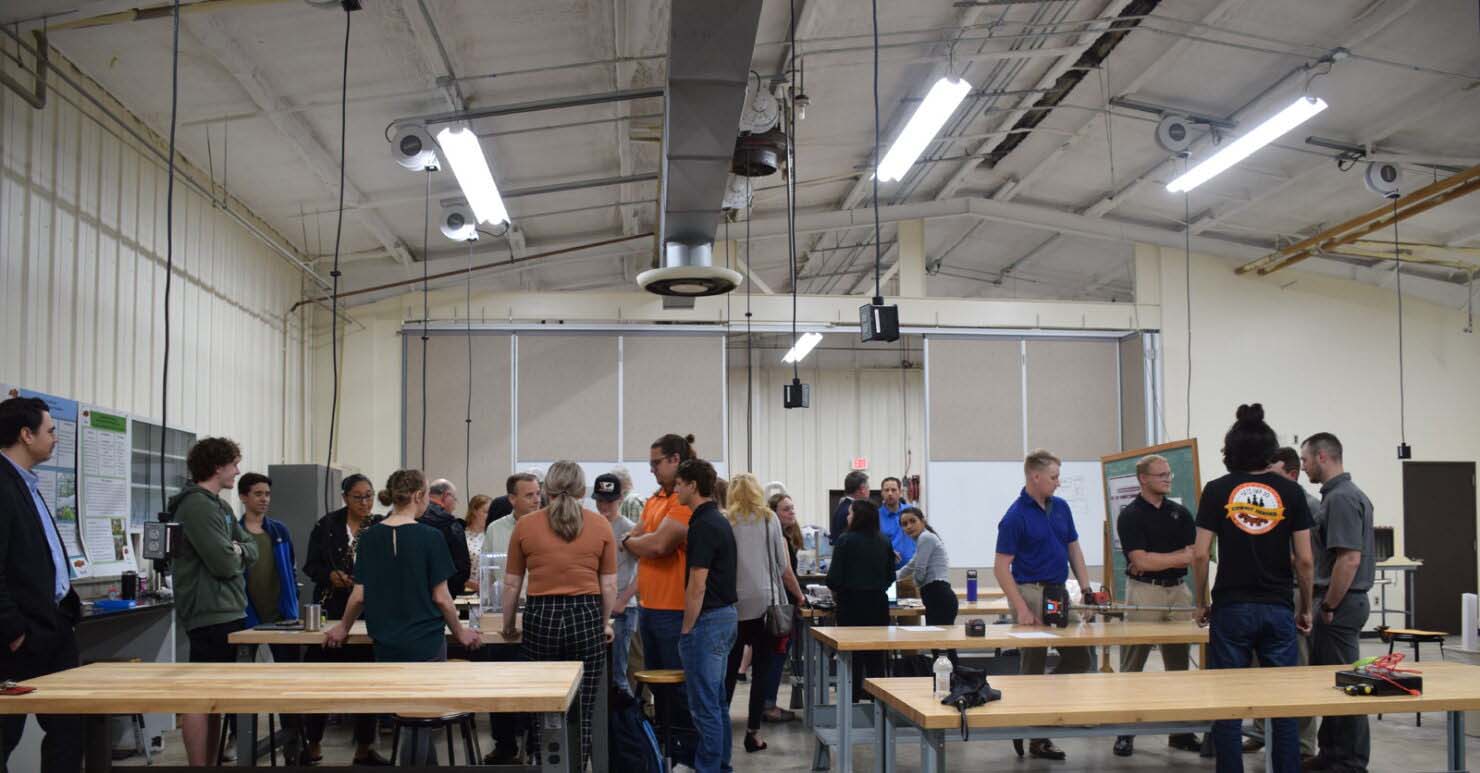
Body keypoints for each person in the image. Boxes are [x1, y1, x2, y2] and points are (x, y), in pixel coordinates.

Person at [325, 469, 481, 765]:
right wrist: (461, 632)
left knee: (405, 715)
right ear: (420, 496)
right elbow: (441, 597)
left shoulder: (368, 537)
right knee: (422, 715)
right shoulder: (431, 537)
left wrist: (342, 628)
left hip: (386, 642)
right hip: (425, 642)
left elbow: (359, 595)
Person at [1193, 404, 1314, 773]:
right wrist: (1305, 607)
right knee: (1282, 706)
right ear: (1269, 452)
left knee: (1228, 704)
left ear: (1230, 451)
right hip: (1278, 608)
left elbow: (1200, 555)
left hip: (1231, 607)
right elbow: (1306, 561)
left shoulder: (1217, 490)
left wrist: (1202, 602)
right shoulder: (1291, 493)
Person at [500, 461, 616, 769]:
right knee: (584, 704)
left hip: (542, 615)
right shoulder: (600, 524)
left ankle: (546, 762)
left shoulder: (526, 525)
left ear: (547, 488)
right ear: (582, 489)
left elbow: (512, 584)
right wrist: (603, 623)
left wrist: (509, 625)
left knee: (542, 703)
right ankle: (577, 764)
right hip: (586, 613)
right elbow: (609, 584)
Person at [993, 448, 1095, 762]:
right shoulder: (1014, 516)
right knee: (1032, 665)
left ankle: (1038, 702)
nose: (1058, 483)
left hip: (1058, 593)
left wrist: (1087, 588)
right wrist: (1021, 608)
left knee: (1080, 659)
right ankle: (1036, 736)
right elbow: (1000, 568)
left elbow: (1073, 548)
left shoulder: (1061, 508)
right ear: (1034, 477)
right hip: (1030, 593)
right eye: (1053, 477)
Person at [0, 397, 83, 773]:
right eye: (50, 431)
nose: (55, 439)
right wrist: (13, 629)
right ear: (25, 434)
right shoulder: (2, 485)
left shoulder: (27, 483)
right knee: (5, 734)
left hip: (53, 627)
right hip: (20, 638)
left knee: (69, 731)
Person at [168, 437, 258, 766]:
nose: (237, 471)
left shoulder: (219, 506)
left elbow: (252, 546)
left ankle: (212, 758)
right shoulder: (197, 506)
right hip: (209, 613)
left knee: (217, 695)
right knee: (200, 693)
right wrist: (235, 551)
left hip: (230, 609)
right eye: (234, 464)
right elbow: (223, 562)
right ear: (218, 466)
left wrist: (237, 549)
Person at [1110, 454, 1200, 758]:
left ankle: (1181, 731)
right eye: (1160, 474)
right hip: (1145, 593)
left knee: (1178, 665)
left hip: (1178, 592)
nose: (1167, 478)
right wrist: (1177, 557)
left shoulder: (1180, 513)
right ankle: (1125, 731)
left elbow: (1194, 554)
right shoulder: (1131, 515)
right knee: (1133, 664)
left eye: (1169, 474)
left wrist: (1160, 559)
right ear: (1143, 479)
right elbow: (1140, 560)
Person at [1302, 432, 1376, 773]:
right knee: (1332, 683)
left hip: (1340, 604)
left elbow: (1348, 560)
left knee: (1347, 685)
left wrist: (1329, 606)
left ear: (1322, 457)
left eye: (1304, 460)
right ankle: (1331, 753)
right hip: (1336, 601)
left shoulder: (1342, 498)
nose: (1302, 468)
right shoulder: (1337, 496)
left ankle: (1349, 761)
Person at [622, 433, 700, 755]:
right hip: (650, 608)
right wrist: (638, 541)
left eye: (657, 463)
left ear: (675, 461)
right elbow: (638, 536)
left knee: (680, 692)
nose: (652, 469)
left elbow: (656, 545)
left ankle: (687, 754)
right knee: (658, 689)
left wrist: (635, 542)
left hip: (675, 611)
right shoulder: (654, 500)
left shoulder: (682, 502)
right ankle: (665, 751)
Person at [300, 473, 385, 765]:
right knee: (319, 680)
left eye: (370, 496)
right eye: (358, 497)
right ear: (345, 497)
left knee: (366, 681)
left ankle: (364, 746)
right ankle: (312, 742)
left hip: (369, 610)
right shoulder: (327, 526)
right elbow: (310, 565)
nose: (365, 502)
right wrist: (329, 575)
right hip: (330, 609)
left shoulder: (380, 526)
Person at [1246, 447, 1320, 759]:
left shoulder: (1308, 506)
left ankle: (1302, 746)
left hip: (1290, 594)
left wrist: (1305, 605)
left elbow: (1309, 560)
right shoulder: (1262, 501)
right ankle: (1262, 731)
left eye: (1272, 473)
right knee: (1258, 669)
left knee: (1295, 671)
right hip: (1259, 596)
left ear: (1292, 474)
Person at [723, 474, 804, 754]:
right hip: (766, 607)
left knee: (730, 671)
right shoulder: (769, 519)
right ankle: (753, 733)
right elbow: (782, 566)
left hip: (733, 606)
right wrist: (798, 596)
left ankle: (722, 731)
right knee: (761, 672)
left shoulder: (726, 520)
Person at [235, 473, 306, 759]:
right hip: (247, 617)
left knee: (288, 683)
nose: (264, 499)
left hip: (282, 617)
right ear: (243, 497)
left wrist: (292, 606)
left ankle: (293, 744)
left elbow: (290, 570)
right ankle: (239, 739)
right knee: (241, 684)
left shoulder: (278, 530)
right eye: (257, 494)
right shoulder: (234, 533)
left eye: (267, 494)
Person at [674, 459, 738, 773]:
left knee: (704, 706)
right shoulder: (717, 520)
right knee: (715, 702)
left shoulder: (703, 525)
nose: (675, 489)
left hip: (709, 621)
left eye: (679, 483)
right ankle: (721, 764)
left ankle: (710, 767)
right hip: (724, 618)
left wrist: (687, 628)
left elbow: (697, 583)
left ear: (692, 485)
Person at [479, 471, 543, 765]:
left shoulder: (548, 524)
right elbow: (490, 573)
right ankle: (504, 744)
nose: (536, 498)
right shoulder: (496, 528)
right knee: (498, 679)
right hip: (504, 611)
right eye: (529, 494)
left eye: (537, 493)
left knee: (534, 683)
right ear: (512, 499)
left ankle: (534, 744)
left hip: (538, 610)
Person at [826, 500, 894, 698]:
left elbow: (833, 578)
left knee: (852, 658)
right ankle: (878, 703)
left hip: (851, 605)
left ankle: (852, 700)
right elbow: (891, 577)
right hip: (878, 605)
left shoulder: (845, 540)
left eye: (850, 513)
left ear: (858, 516)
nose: (847, 517)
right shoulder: (884, 541)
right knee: (876, 658)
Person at [593, 473, 640, 695]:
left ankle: (626, 727)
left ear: (619, 499)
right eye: (600, 501)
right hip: (596, 606)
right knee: (597, 675)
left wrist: (622, 600)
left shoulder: (629, 529)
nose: (604, 506)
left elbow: (646, 571)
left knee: (619, 677)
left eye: (609, 501)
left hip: (622, 609)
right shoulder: (589, 526)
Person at [760, 492, 804, 723]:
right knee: (776, 657)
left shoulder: (785, 537)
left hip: (779, 603)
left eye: (792, 508)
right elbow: (786, 573)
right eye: (786, 509)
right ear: (774, 514)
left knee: (773, 657)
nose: (791, 512)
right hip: (782, 607)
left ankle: (766, 703)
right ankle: (768, 706)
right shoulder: (780, 539)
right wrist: (800, 596)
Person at [896, 507, 956, 625]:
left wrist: (915, 585)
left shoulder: (925, 538)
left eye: (913, 521)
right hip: (936, 596)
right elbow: (909, 567)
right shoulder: (923, 541)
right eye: (904, 524)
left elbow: (920, 570)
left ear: (923, 521)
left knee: (937, 640)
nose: (909, 526)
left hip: (938, 595)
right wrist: (886, 578)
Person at [419, 479, 470, 599]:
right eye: (455, 499)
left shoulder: (413, 518)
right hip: (442, 595)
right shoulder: (450, 524)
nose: (454, 505)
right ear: (446, 496)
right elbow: (462, 568)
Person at [878, 477, 914, 570]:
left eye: (893, 490)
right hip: (886, 571)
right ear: (882, 493)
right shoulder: (875, 516)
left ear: (900, 492)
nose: (890, 493)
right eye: (886, 490)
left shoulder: (912, 512)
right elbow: (871, 543)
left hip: (912, 571)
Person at [829, 471, 869, 545]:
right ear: (862, 489)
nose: (868, 491)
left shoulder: (841, 507)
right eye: (868, 487)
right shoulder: (854, 511)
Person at [464, 494, 492, 593]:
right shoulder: (462, 536)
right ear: (474, 511)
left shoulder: (491, 535)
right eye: (486, 512)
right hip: (467, 591)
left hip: (489, 591)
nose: (489, 516)